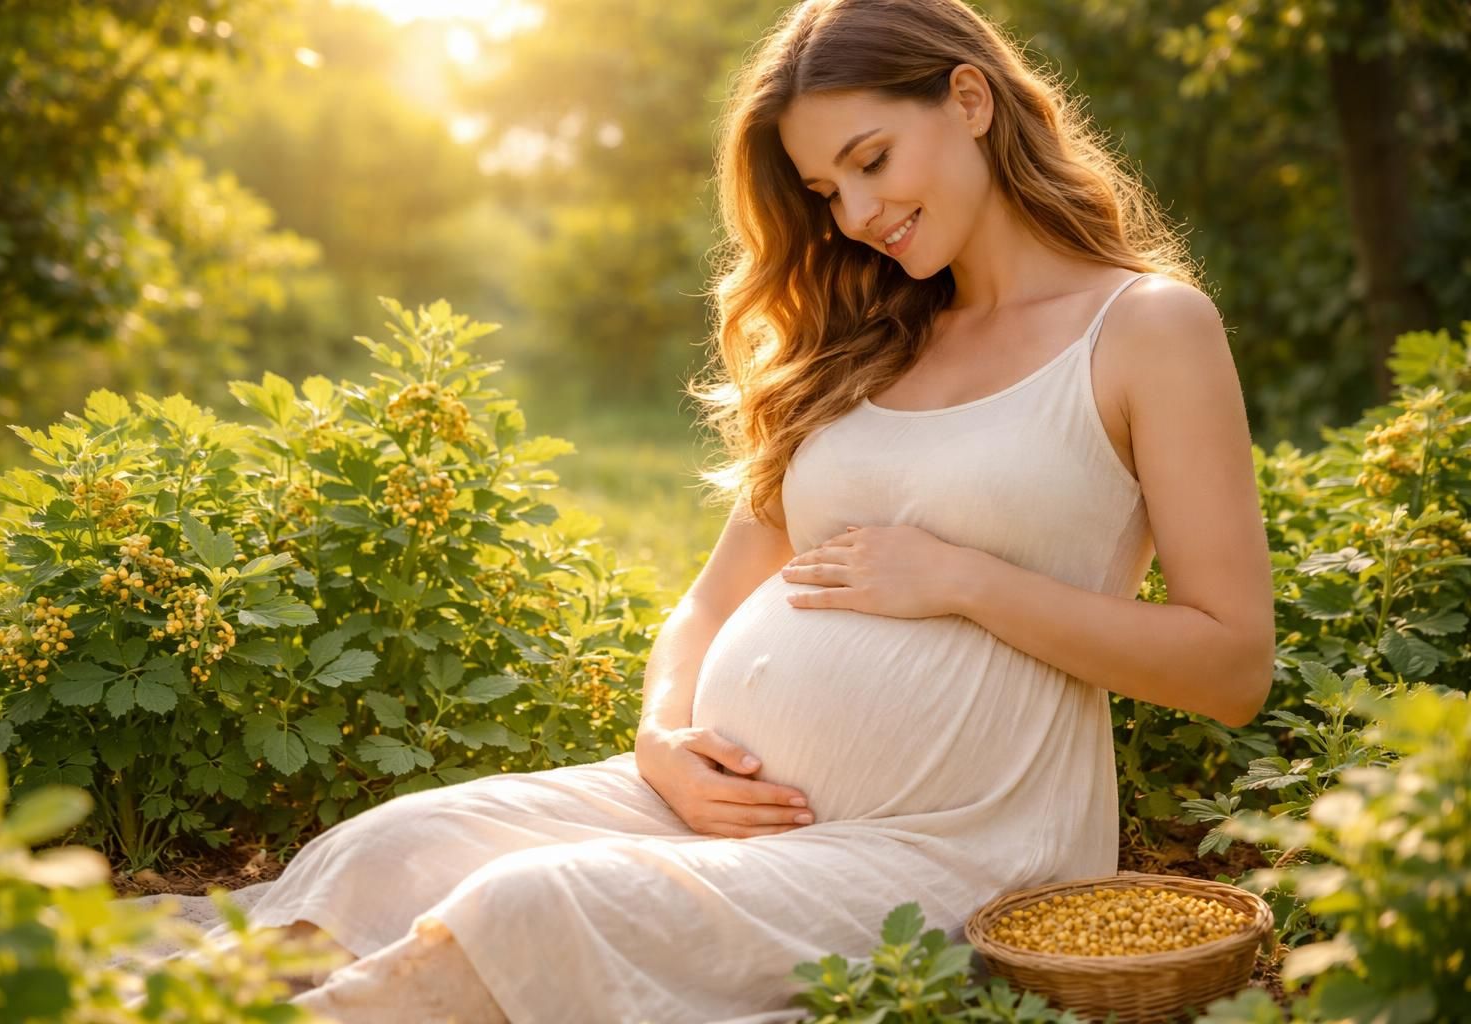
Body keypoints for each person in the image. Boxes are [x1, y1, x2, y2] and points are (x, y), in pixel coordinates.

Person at [173, 0, 1276, 1020]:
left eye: (871, 161)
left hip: (949, 847)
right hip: (714, 811)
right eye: (826, 191)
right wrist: (662, 738)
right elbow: (708, 603)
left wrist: (965, 582)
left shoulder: (1145, 329)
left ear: (969, 99)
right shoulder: (869, 339)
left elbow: (1231, 666)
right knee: (394, 849)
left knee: (533, 906)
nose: (858, 215)